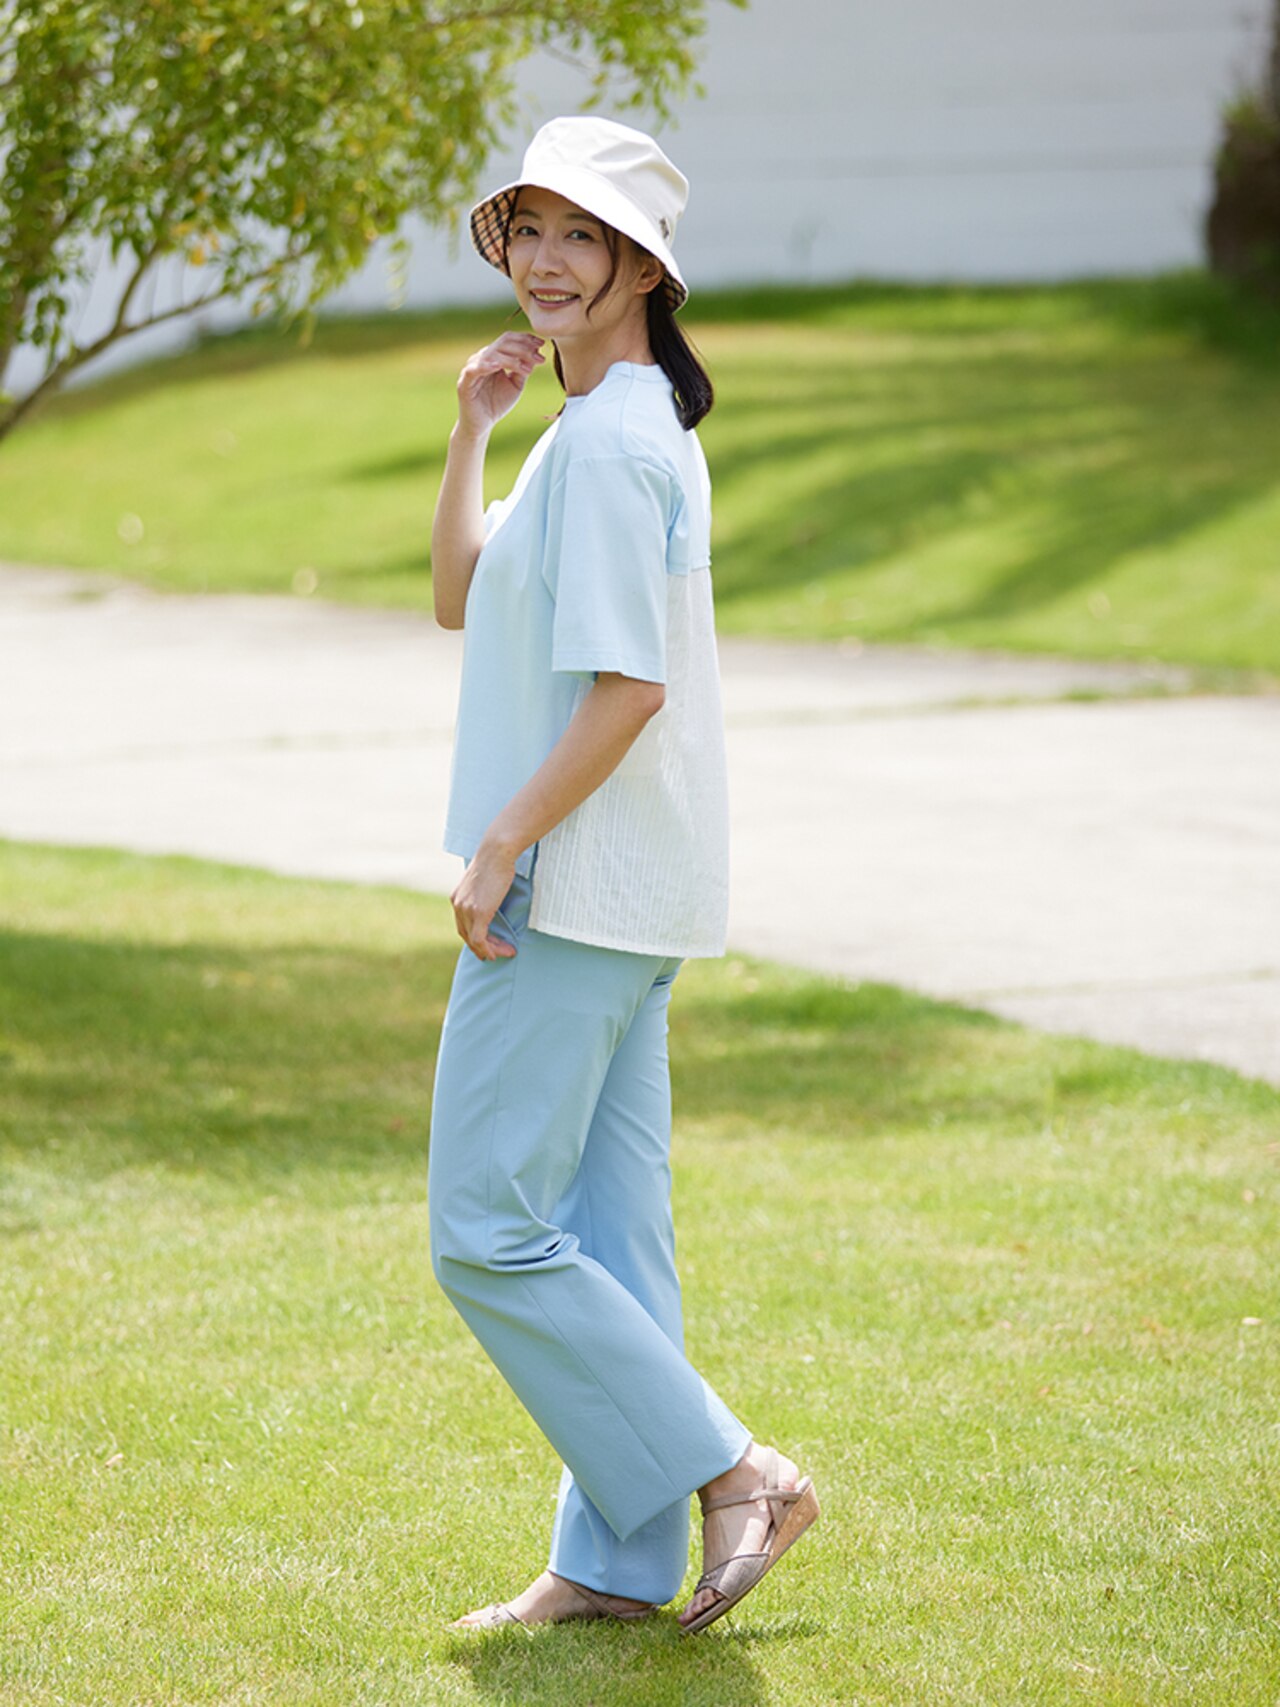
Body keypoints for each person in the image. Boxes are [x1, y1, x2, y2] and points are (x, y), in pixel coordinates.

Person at [427, 114, 819, 1635]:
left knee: (486, 1228)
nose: (542, 258)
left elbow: (627, 688)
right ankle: (613, 1562)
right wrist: (473, 427)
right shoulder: (606, 425)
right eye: (527, 228)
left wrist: (503, 842)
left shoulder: (608, 444)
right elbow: (460, 595)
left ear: (642, 267)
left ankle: (738, 1472)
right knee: (610, 1242)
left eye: (578, 235)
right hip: (638, 894)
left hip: (573, 889)